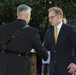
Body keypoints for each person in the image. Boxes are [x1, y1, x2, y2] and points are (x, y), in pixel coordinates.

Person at [0, 4, 48, 75]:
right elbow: (42, 53)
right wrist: (46, 54)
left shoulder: (3, 28)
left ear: (18, 14)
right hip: (20, 66)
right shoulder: (32, 32)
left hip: (3, 65)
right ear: (27, 15)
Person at [43, 7, 76, 75]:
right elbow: (45, 48)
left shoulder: (69, 29)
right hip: (52, 69)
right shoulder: (48, 32)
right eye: (49, 18)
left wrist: (74, 63)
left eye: (52, 17)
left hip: (67, 68)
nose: (50, 20)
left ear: (60, 16)